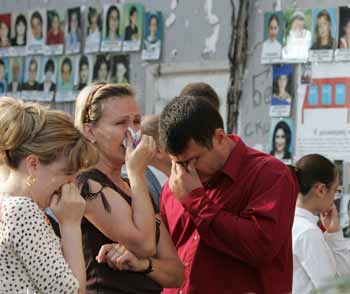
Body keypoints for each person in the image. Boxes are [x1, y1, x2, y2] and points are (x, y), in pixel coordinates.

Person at [159, 96, 298, 294]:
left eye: (193, 161)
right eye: (177, 164)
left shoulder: (269, 174)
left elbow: (261, 246)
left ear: (219, 138)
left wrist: (196, 201)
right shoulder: (175, 183)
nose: (186, 172)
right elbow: (166, 256)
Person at [74, 83, 184, 293]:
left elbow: (176, 273)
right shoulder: (86, 184)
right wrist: (136, 172)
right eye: (120, 123)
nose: (132, 131)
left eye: (136, 121)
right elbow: (145, 245)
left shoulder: (134, 186)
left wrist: (143, 265)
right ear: (90, 131)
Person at [0, 97, 98, 293]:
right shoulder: (22, 211)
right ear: (33, 164)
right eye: (66, 173)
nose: (71, 183)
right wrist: (70, 224)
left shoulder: (8, 204)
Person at [292, 154, 350, 293]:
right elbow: (334, 289)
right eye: (335, 190)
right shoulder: (308, 233)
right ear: (321, 190)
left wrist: (334, 233)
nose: (335, 197)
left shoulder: (291, 222)